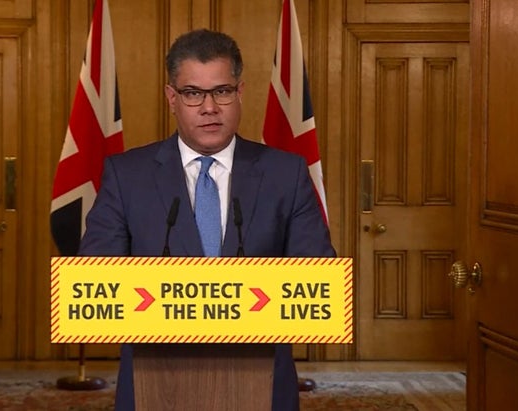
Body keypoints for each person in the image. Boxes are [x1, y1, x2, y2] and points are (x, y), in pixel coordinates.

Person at [78, 28, 336, 411]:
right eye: (193, 93)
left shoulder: (286, 173)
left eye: (222, 91)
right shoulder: (127, 175)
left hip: (261, 382)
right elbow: (94, 276)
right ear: (172, 98)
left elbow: (319, 277)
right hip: (155, 383)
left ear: (239, 92)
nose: (209, 107)